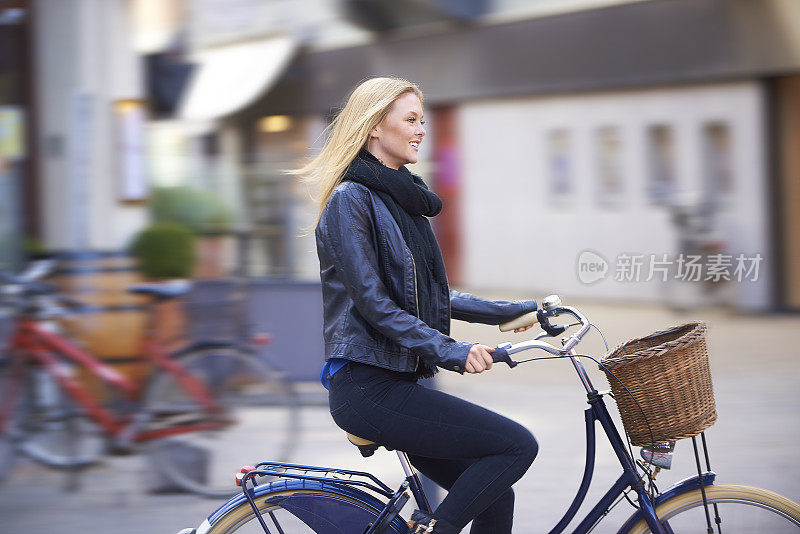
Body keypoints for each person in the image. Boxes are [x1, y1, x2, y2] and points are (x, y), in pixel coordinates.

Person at [297, 76, 539, 533]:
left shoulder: (403, 198)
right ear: (374, 127)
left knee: (492, 495)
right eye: (410, 119)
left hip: (399, 383)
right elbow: (375, 304)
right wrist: (453, 350)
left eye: (423, 120)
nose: (421, 129)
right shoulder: (351, 200)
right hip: (368, 387)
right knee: (516, 446)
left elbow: (433, 295)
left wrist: (516, 311)